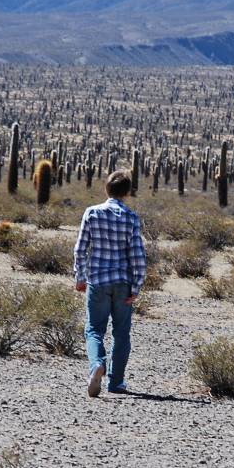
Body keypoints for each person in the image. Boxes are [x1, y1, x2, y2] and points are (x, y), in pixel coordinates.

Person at [73, 170, 147, 397]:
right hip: (123, 283)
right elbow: (137, 255)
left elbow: (80, 248)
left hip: (97, 281)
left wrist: (80, 277)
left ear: (107, 189)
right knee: (121, 333)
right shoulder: (131, 217)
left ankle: (97, 364)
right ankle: (116, 382)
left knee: (94, 329)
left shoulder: (92, 213)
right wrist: (137, 286)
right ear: (127, 193)